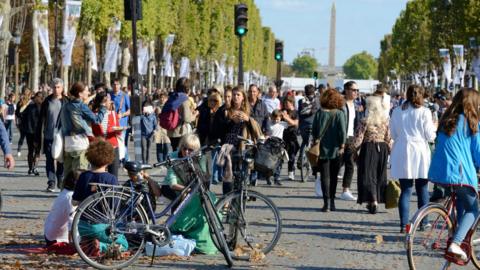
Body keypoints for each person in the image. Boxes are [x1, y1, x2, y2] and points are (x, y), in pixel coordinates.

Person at [428, 88, 480, 260]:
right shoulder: (471, 122)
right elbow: (478, 153)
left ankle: (454, 236)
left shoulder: (446, 120)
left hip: (439, 172)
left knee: (460, 203)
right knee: (473, 209)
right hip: (459, 173)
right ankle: (456, 242)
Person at [390, 85, 436, 233]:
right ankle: (424, 222)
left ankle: (404, 224)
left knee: (406, 190)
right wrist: (435, 129)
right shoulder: (424, 112)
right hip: (419, 150)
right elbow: (430, 135)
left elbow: (393, 133)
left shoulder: (397, 111)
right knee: (422, 188)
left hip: (403, 149)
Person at [72, 139, 126, 253]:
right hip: (100, 225)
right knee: (124, 244)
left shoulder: (83, 176)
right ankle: (101, 245)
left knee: (90, 235)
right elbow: (115, 206)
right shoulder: (111, 179)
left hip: (82, 225)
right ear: (109, 160)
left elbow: (74, 202)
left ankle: (89, 243)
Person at [352, 96, 392, 214]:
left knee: (368, 175)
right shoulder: (385, 122)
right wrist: (390, 151)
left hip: (368, 148)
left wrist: (354, 150)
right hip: (382, 149)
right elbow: (389, 138)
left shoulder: (365, 121)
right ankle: (376, 200)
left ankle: (372, 200)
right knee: (379, 175)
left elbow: (358, 139)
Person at [61, 82, 107, 178]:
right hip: (80, 143)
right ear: (80, 93)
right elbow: (97, 120)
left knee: (67, 177)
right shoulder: (81, 106)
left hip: (68, 144)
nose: (88, 92)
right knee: (79, 176)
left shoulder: (66, 105)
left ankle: (64, 193)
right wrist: (103, 107)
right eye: (86, 90)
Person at [222, 86, 262, 193]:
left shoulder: (248, 110)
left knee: (241, 174)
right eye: (234, 94)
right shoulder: (226, 110)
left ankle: (239, 199)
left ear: (243, 97)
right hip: (228, 145)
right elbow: (219, 128)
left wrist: (248, 119)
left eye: (238, 95)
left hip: (243, 146)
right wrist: (230, 120)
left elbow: (256, 126)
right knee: (228, 174)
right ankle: (226, 200)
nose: (235, 97)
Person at [311, 89, 346, 212]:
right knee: (334, 177)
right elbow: (342, 131)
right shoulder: (339, 113)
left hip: (322, 148)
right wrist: (342, 145)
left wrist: (315, 139)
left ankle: (325, 203)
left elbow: (314, 129)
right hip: (336, 149)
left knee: (324, 177)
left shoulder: (320, 113)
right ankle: (332, 202)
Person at [37, 78, 66, 192]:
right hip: (48, 134)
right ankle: (51, 182)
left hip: (61, 135)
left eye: (58, 87)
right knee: (49, 158)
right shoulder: (47, 102)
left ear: (62, 88)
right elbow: (41, 120)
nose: (56, 89)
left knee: (60, 158)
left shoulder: (66, 101)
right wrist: (37, 136)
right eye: (54, 87)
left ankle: (60, 179)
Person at [339, 81, 362, 201]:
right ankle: (321, 181)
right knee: (337, 164)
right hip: (340, 138)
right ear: (346, 90)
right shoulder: (340, 104)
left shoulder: (357, 105)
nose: (356, 92)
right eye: (354, 90)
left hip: (351, 138)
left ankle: (345, 190)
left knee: (350, 164)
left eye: (357, 90)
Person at [44, 170, 79, 247]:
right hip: (57, 238)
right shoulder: (71, 197)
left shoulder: (65, 192)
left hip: (50, 233)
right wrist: (73, 243)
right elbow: (72, 221)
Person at [91, 89, 121, 178]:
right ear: (103, 103)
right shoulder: (94, 115)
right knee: (99, 173)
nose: (111, 102)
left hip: (113, 146)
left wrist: (118, 130)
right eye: (109, 100)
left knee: (114, 174)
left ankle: (113, 190)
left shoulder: (113, 113)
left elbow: (118, 132)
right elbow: (95, 131)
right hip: (101, 147)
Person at [165, 77, 196, 150]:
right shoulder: (184, 99)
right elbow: (187, 119)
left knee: (175, 150)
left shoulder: (172, 96)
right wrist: (195, 115)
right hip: (180, 132)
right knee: (180, 154)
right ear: (187, 89)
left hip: (170, 131)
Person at [22, 92, 44, 176]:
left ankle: (33, 168)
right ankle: (31, 168)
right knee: (31, 150)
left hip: (37, 132)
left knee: (36, 151)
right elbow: (21, 114)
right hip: (31, 132)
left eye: (39, 97)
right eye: (36, 97)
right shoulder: (30, 106)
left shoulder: (42, 107)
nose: (37, 98)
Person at [109, 78, 130, 162]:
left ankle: (126, 161)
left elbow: (130, 110)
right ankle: (117, 161)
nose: (116, 86)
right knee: (114, 144)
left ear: (120, 85)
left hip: (121, 124)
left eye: (117, 84)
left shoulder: (124, 95)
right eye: (114, 84)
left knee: (121, 144)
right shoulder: (109, 95)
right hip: (111, 124)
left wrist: (122, 114)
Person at [280, 95, 299, 182]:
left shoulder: (296, 112)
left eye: (287, 103)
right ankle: (277, 174)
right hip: (283, 136)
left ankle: (291, 171)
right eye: (284, 103)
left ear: (292, 103)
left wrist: (286, 118)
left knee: (291, 156)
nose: (285, 105)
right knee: (281, 156)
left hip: (293, 136)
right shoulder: (282, 112)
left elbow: (295, 123)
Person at [154, 92, 171, 163]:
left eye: (164, 98)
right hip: (158, 127)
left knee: (167, 145)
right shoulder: (156, 106)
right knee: (159, 145)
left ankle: (164, 160)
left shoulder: (169, 106)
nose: (162, 99)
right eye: (161, 97)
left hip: (166, 128)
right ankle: (160, 161)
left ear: (167, 99)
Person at [15, 89, 32, 157]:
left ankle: (19, 149)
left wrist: (17, 123)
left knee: (22, 137)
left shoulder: (20, 102)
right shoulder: (29, 103)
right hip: (27, 124)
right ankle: (29, 151)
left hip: (22, 123)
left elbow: (17, 114)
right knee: (27, 138)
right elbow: (17, 113)